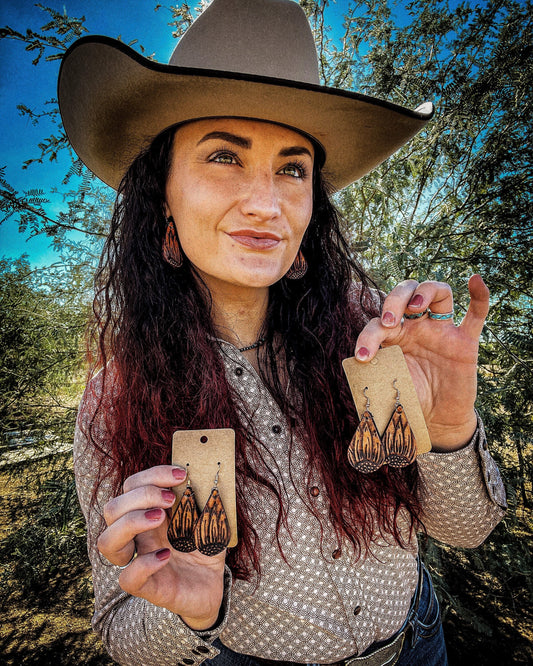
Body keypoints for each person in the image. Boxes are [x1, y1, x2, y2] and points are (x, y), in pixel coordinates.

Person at [58, 1, 506, 665]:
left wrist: (446, 429)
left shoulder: (374, 340)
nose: (267, 204)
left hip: (420, 644)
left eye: (292, 169)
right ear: (164, 208)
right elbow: (121, 634)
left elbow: (466, 530)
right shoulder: (115, 400)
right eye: (221, 156)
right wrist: (193, 613)